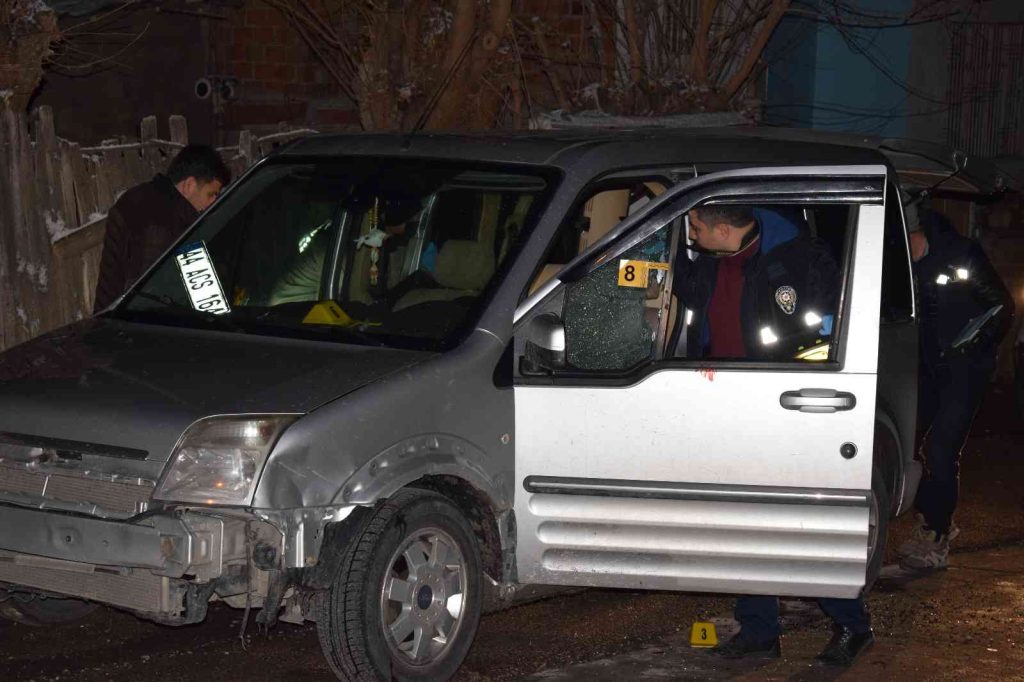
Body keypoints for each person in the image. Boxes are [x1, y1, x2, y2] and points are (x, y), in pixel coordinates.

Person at [673, 205, 873, 666]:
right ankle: (759, 630)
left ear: (724, 229)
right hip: (726, 402)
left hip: (782, 408)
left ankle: (852, 625)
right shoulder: (713, 257)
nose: (692, 234)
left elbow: (825, 334)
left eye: (697, 227)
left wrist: (795, 401)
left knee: (799, 526)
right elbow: (692, 298)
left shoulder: (798, 260)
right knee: (741, 525)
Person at [896, 205, 1013, 569]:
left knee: (942, 449)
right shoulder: (897, 263)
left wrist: (970, 345)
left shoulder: (959, 253)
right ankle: (925, 517)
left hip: (965, 369)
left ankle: (937, 531)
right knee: (908, 442)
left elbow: (1001, 307)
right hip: (928, 368)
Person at [93, 144, 231, 312]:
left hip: (112, 319)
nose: (213, 203)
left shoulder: (135, 199)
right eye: (211, 194)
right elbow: (200, 296)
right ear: (189, 185)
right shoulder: (173, 223)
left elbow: (110, 282)